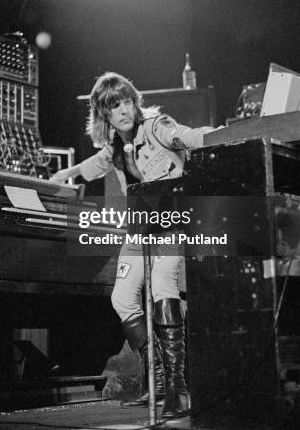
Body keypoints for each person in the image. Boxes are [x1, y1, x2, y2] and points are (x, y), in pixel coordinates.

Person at [50, 72, 214, 419]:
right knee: (122, 297)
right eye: (114, 105)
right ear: (104, 113)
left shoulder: (155, 126)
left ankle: (178, 389)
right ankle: (155, 383)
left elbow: (189, 136)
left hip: (173, 218)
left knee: (162, 285)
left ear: (133, 102)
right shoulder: (113, 146)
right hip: (142, 225)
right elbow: (93, 166)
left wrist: (229, 135)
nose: (123, 109)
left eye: (126, 101)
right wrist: (66, 175)